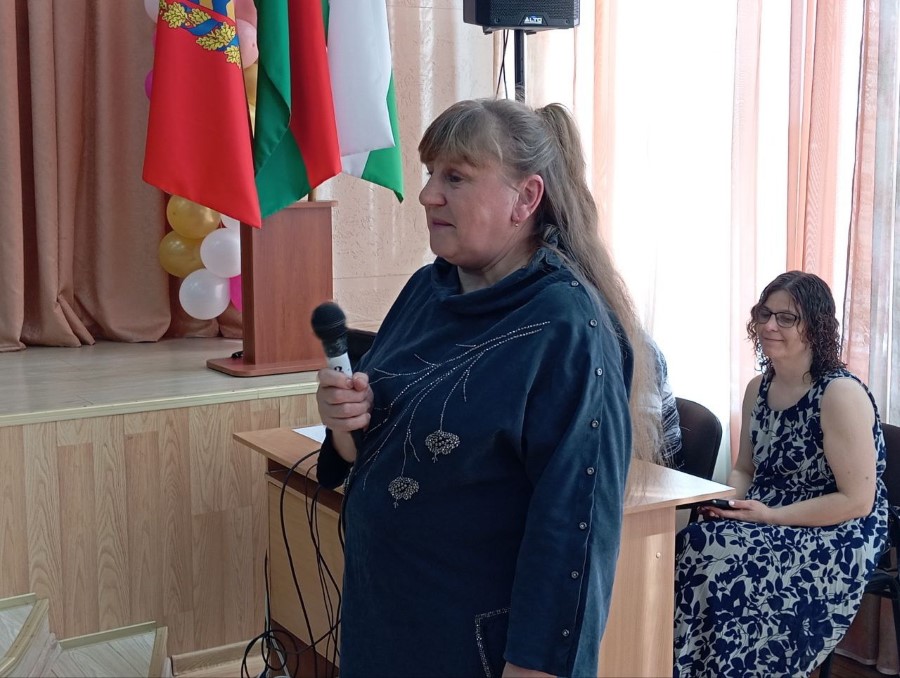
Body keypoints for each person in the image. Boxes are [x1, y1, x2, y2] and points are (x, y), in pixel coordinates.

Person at [314, 98, 660, 677]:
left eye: (456, 177)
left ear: (526, 198)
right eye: (431, 173)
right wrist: (346, 420)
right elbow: (375, 453)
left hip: (475, 646)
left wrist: (536, 668)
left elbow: (572, 529)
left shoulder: (567, 329)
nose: (428, 195)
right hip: (388, 622)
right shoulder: (426, 291)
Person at [673, 271, 888, 677]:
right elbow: (744, 468)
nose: (770, 325)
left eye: (786, 318)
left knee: (722, 558)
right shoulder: (758, 387)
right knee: (695, 540)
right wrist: (729, 503)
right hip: (771, 510)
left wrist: (769, 516)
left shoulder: (839, 394)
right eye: (765, 313)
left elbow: (858, 501)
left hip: (838, 528)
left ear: (815, 327)